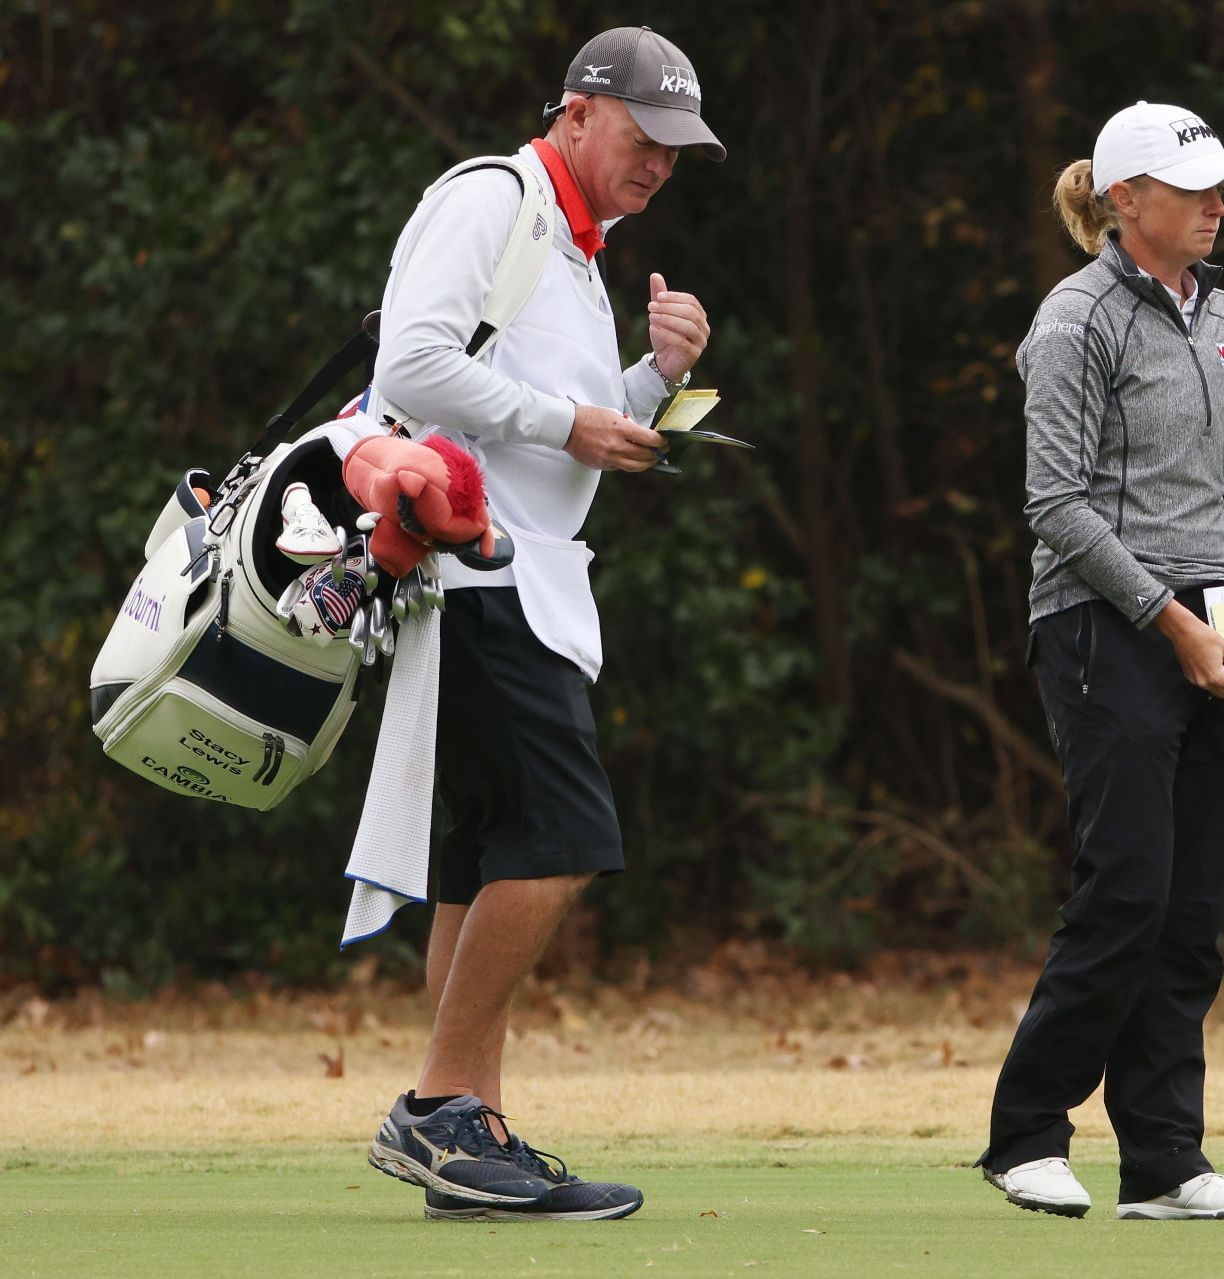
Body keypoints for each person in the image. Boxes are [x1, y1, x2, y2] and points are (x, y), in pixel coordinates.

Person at [359, 26, 723, 1223]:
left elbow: (567, 437)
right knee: (564, 837)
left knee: (483, 857)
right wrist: (572, 424)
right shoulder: (495, 197)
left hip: (520, 579)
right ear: (576, 112)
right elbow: (411, 366)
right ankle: (438, 1107)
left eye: (679, 149)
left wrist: (651, 383)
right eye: (645, 134)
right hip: (477, 580)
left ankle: (477, 1135)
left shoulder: (577, 249)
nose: (661, 163)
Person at [979, 101, 1224, 1221]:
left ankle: (1163, 1159)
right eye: (1195, 186)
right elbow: (1055, 503)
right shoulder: (1076, 322)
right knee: (1127, 891)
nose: (1219, 202)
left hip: (1215, 629)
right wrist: (1174, 620)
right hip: (1100, 628)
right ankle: (1026, 1133)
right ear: (1126, 201)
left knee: (1193, 906)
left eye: (1222, 184)